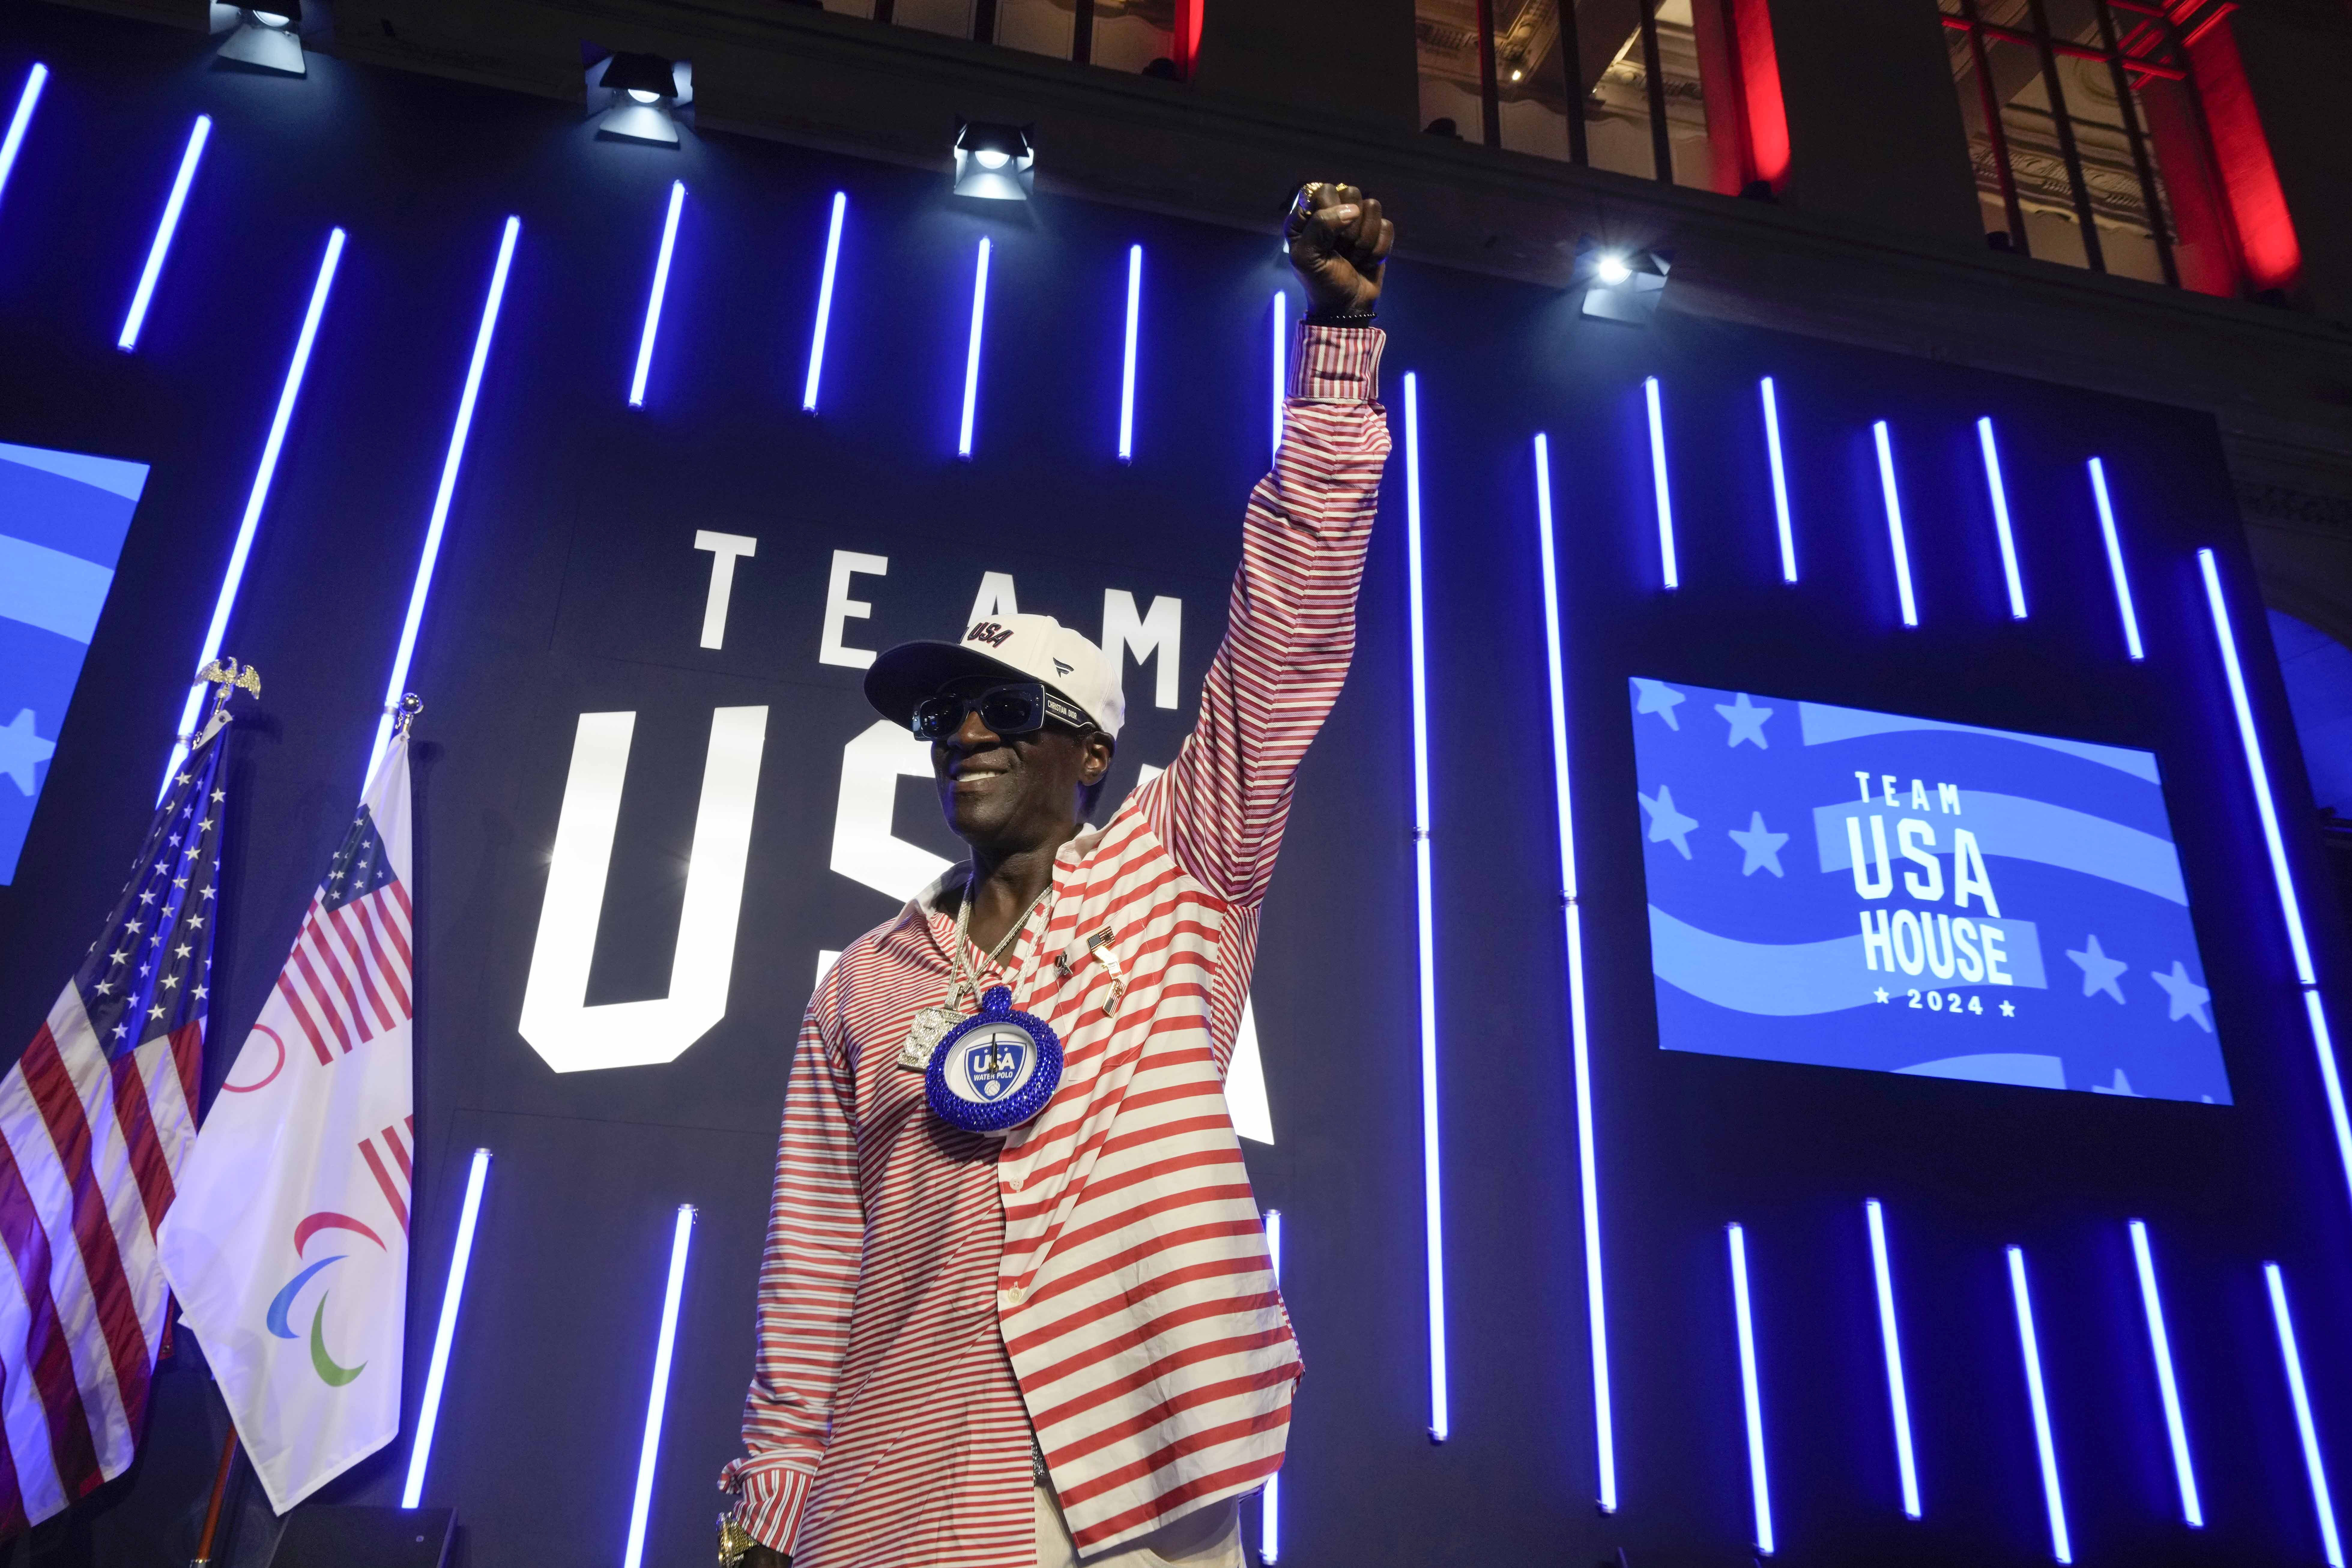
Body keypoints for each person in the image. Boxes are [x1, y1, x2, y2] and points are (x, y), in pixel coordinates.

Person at [718, 181, 1395, 1568]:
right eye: (943, 715)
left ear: (1087, 751)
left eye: (1005, 711)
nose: (965, 733)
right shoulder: (865, 982)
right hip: (891, 1497)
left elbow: (1284, 642)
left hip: (1120, 1485)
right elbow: (814, 1267)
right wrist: (771, 1514)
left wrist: (1334, 354)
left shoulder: (1181, 870)